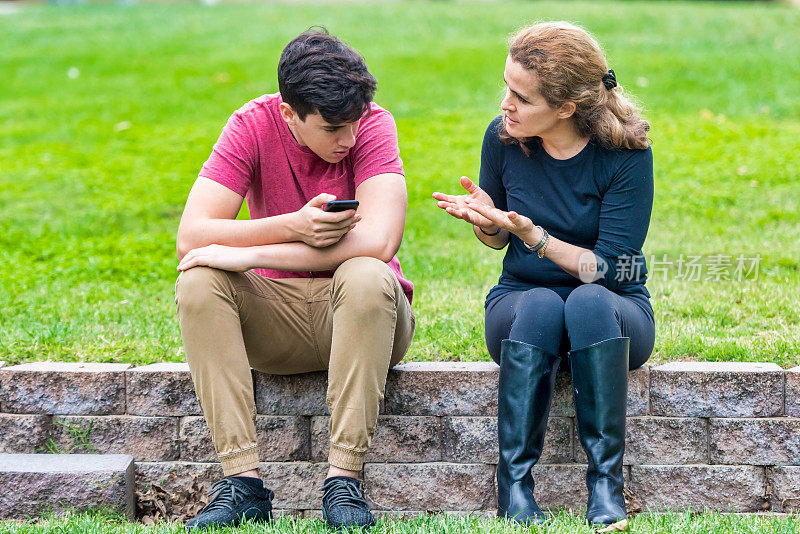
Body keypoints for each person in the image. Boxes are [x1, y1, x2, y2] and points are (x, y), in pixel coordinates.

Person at [174, 28, 414, 530]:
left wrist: (253, 251)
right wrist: (292, 225)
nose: (347, 139)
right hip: (275, 319)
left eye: (353, 124)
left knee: (368, 274)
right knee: (198, 282)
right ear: (289, 113)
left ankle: (344, 481)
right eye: (332, 128)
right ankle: (242, 484)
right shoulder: (252, 123)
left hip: (365, 317)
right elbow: (192, 236)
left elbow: (380, 241)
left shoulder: (373, 124)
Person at [433, 21, 654, 527]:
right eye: (506, 88)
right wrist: (489, 222)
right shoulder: (505, 139)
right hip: (522, 309)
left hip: (613, 310)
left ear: (566, 108)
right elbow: (499, 240)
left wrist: (536, 238)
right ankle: (514, 489)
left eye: (521, 97)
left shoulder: (625, 156)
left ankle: (605, 488)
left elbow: (611, 270)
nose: (506, 104)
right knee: (540, 303)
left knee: (585, 301)